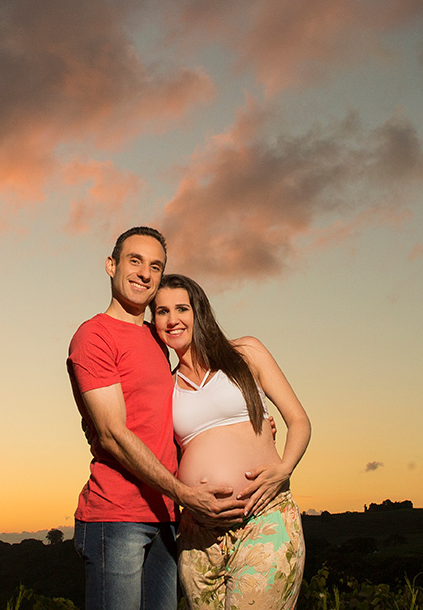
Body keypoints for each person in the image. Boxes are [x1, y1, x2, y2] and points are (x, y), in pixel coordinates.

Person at [67, 227, 245, 610]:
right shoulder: (94, 336)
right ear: (111, 265)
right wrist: (185, 494)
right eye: (135, 261)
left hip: (165, 516)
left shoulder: (158, 337)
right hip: (116, 516)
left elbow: (180, 410)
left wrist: (243, 430)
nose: (145, 274)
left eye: (155, 266)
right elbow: (112, 434)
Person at [152, 273, 311, 610]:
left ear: (199, 311)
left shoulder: (246, 352)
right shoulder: (167, 386)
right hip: (198, 538)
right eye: (162, 311)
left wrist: (284, 468)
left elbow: (298, 420)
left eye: (181, 308)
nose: (172, 319)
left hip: (263, 519)